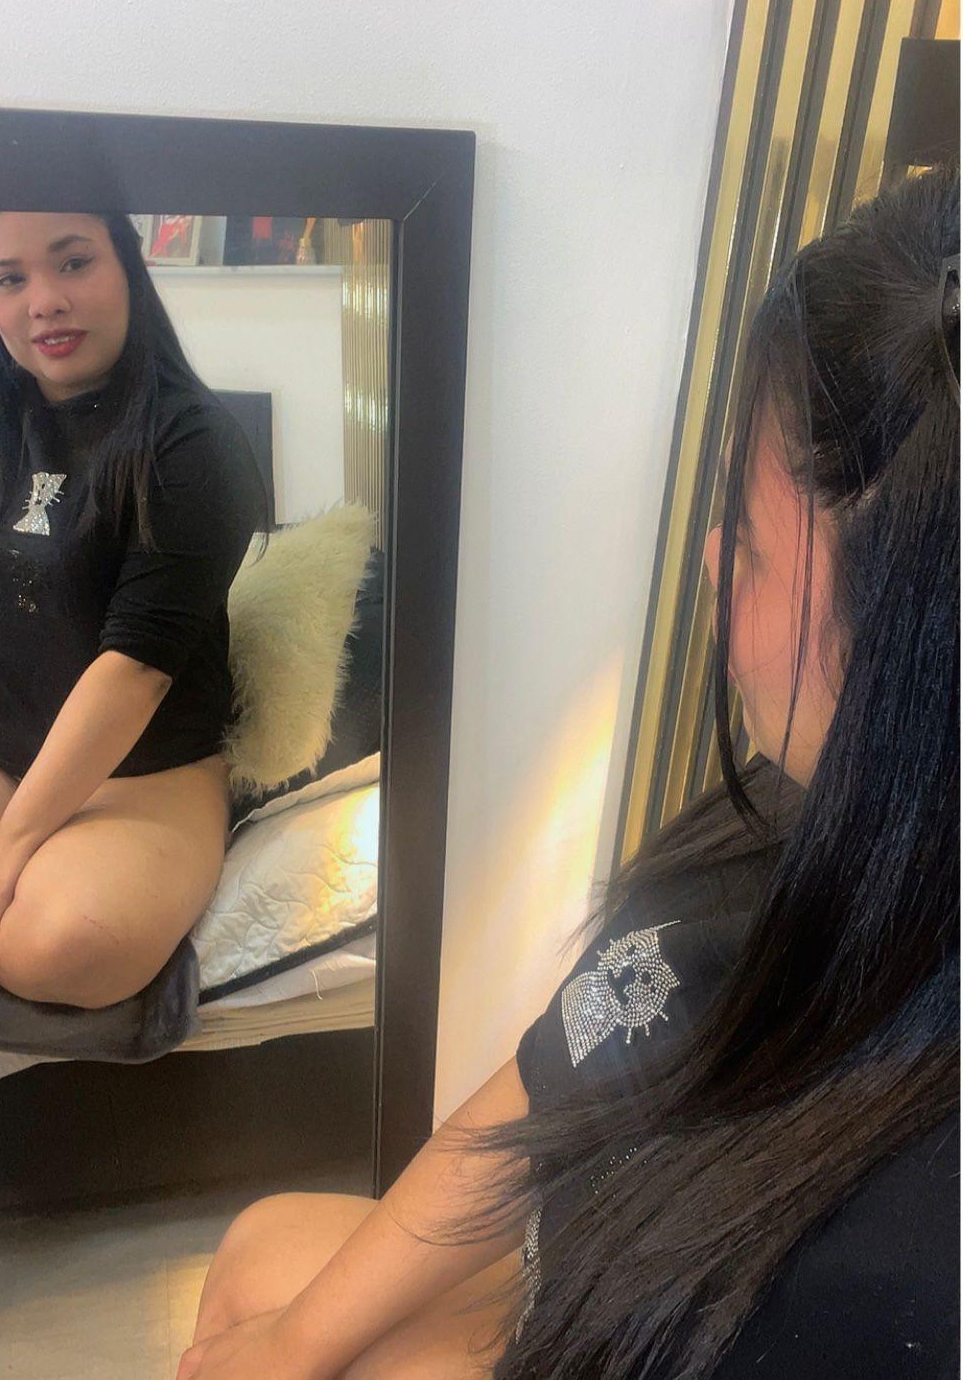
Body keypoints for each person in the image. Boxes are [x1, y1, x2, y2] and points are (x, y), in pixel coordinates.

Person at [177, 163, 960, 1380]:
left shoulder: (896, 1257)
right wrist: (292, 1341)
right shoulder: (792, 821)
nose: (711, 559)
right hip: (606, 1276)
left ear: (912, 636)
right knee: (261, 1259)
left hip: (648, 1329)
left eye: (753, 546)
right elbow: (551, 1077)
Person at [0, 210, 267, 1008]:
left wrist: (10, 844)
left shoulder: (194, 444)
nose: (45, 301)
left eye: (74, 262)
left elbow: (134, 672)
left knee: (50, 941)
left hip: (143, 766)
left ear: (127, 264)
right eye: (10, 278)